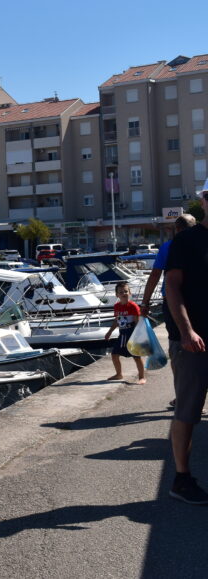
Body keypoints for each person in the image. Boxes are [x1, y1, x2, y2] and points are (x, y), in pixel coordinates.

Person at [164, 179, 208, 504]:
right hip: (193, 340)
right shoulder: (186, 241)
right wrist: (187, 331)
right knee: (188, 410)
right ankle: (181, 479)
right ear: (204, 200)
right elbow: (172, 286)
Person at [141, 214, 197, 407]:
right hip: (200, 303)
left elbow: (155, 275)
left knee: (177, 348)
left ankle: (183, 396)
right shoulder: (201, 243)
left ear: (176, 229)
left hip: (174, 304)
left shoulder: (168, 247)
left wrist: (145, 303)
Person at [103, 282, 146, 384]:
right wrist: (109, 332)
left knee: (136, 357)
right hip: (122, 334)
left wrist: (138, 336)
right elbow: (116, 321)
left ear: (130, 293)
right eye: (121, 292)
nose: (124, 293)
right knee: (114, 354)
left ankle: (142, 377)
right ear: (117, 295)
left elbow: (137, 322)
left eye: (126, 291)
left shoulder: (133, 306)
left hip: (132, 333)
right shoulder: (117, 306)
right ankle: (119, 374)